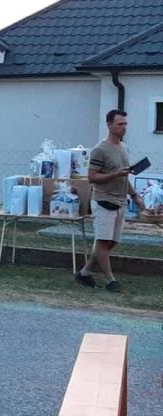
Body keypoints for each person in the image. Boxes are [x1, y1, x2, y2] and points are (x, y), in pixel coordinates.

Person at [77, 109, 146, 292]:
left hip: (120, 201)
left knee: (112, 242)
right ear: (109, 125)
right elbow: (92, 177)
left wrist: (135, 196)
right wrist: (115, 174)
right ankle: (110, 280)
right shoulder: (100, 150)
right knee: (102, 241)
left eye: (125, 124)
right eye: (120, 124)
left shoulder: (124, 148)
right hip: (103, 201)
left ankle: (84, 272)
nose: (124, 127)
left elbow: (124, 177)